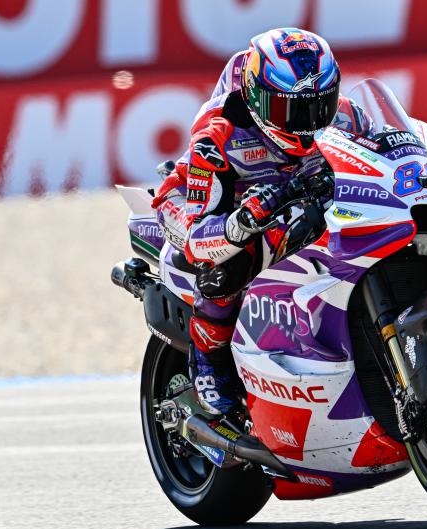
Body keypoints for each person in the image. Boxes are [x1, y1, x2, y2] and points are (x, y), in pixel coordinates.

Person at [152, 28, 371, 417]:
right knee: (228, 259)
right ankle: (209, 363)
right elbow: (200, 237)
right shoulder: (218, 135)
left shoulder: (346, 117)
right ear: (257, 97)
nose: (306, 122)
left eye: (318, 106)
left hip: (289, 194)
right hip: (196, 205)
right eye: (291, 110)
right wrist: (243, 221)